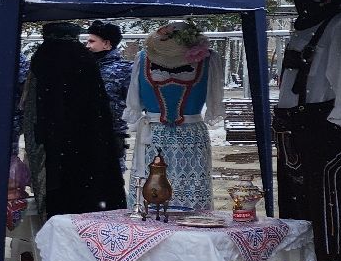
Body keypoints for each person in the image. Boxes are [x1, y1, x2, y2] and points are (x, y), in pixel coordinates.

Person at [274, 0, 341, 261]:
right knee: (292, 198)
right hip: (291, 122)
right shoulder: (305, 24)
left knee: (326, 197)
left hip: (323, 124)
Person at [25, 23, 126, 221]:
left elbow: (31, 109)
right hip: (89, 142)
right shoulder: (83, 57)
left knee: (59, 199)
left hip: (53, 142)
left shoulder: (42, 56)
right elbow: (98, 108)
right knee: (88, 198)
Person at [123, 20, 223, 212]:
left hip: (190, 139)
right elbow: (134, 101)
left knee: (190, 192)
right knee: (151, 190)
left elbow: (214, 102)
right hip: (153, 137)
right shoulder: (142, 58)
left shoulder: (209, 60)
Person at [83, 19, 131, 152]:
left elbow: (132, 101)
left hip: (112, 134)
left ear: (106, 44)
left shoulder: (124, 70)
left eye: (92, 41)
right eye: (87, 41)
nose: (87, 45)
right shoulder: (82, 67)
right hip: (83, 132)